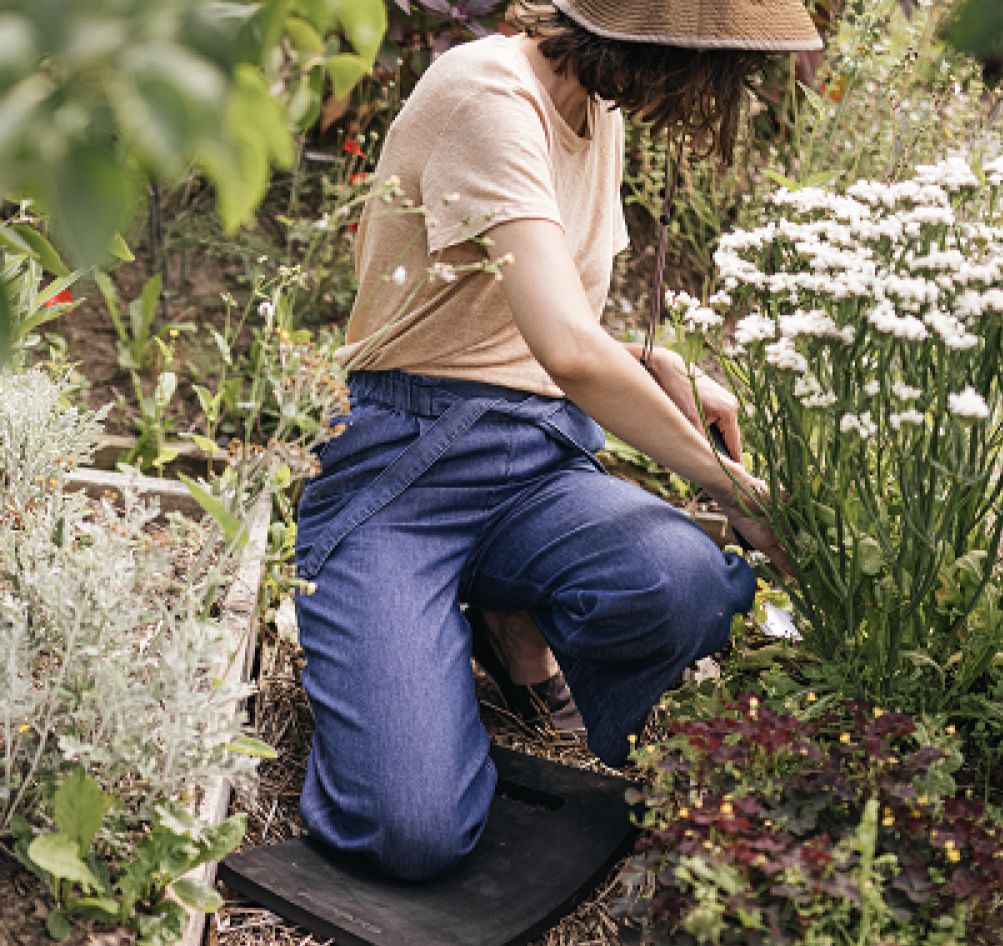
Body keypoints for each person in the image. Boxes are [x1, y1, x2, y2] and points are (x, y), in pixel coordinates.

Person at [295, 0, 820, 881]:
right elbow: (569, 351)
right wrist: (732, 489)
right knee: (409, 831)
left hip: (535, 462)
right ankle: (416, 631)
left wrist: (653, 361)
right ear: (653, 46)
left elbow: (548, 312)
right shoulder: (489, 97)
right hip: (404, 466)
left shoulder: (594, 109)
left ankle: (508, 619)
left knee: (684, 581)